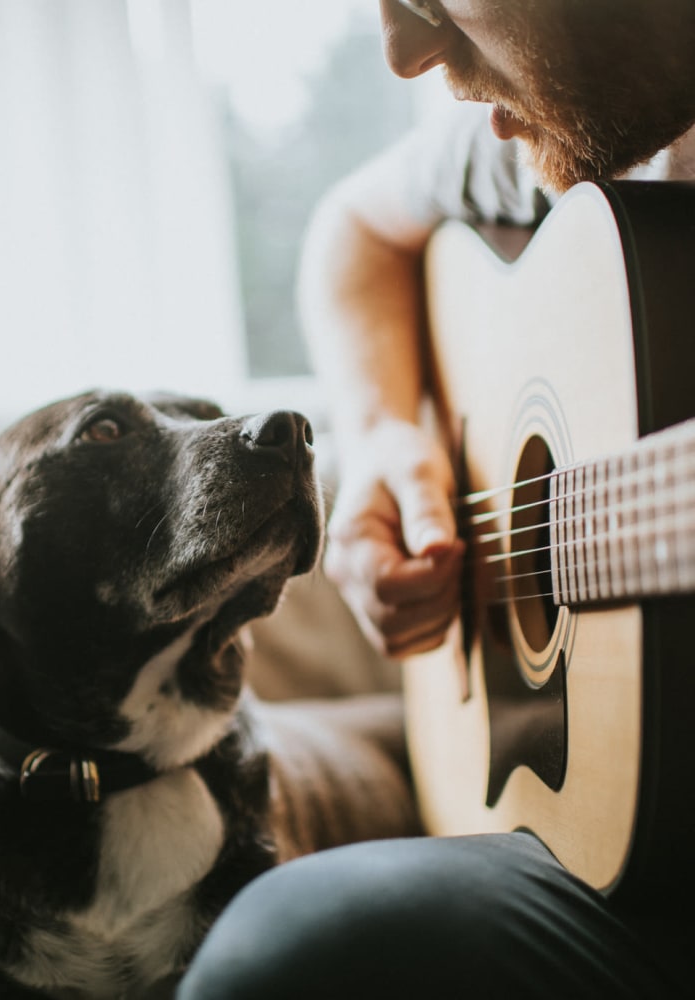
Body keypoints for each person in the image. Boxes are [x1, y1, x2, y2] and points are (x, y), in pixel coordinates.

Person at [177, 2, 695, 996]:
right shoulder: (596, 124)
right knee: (290, 947)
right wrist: (382, 437)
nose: (406, 51)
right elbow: (356, 230)